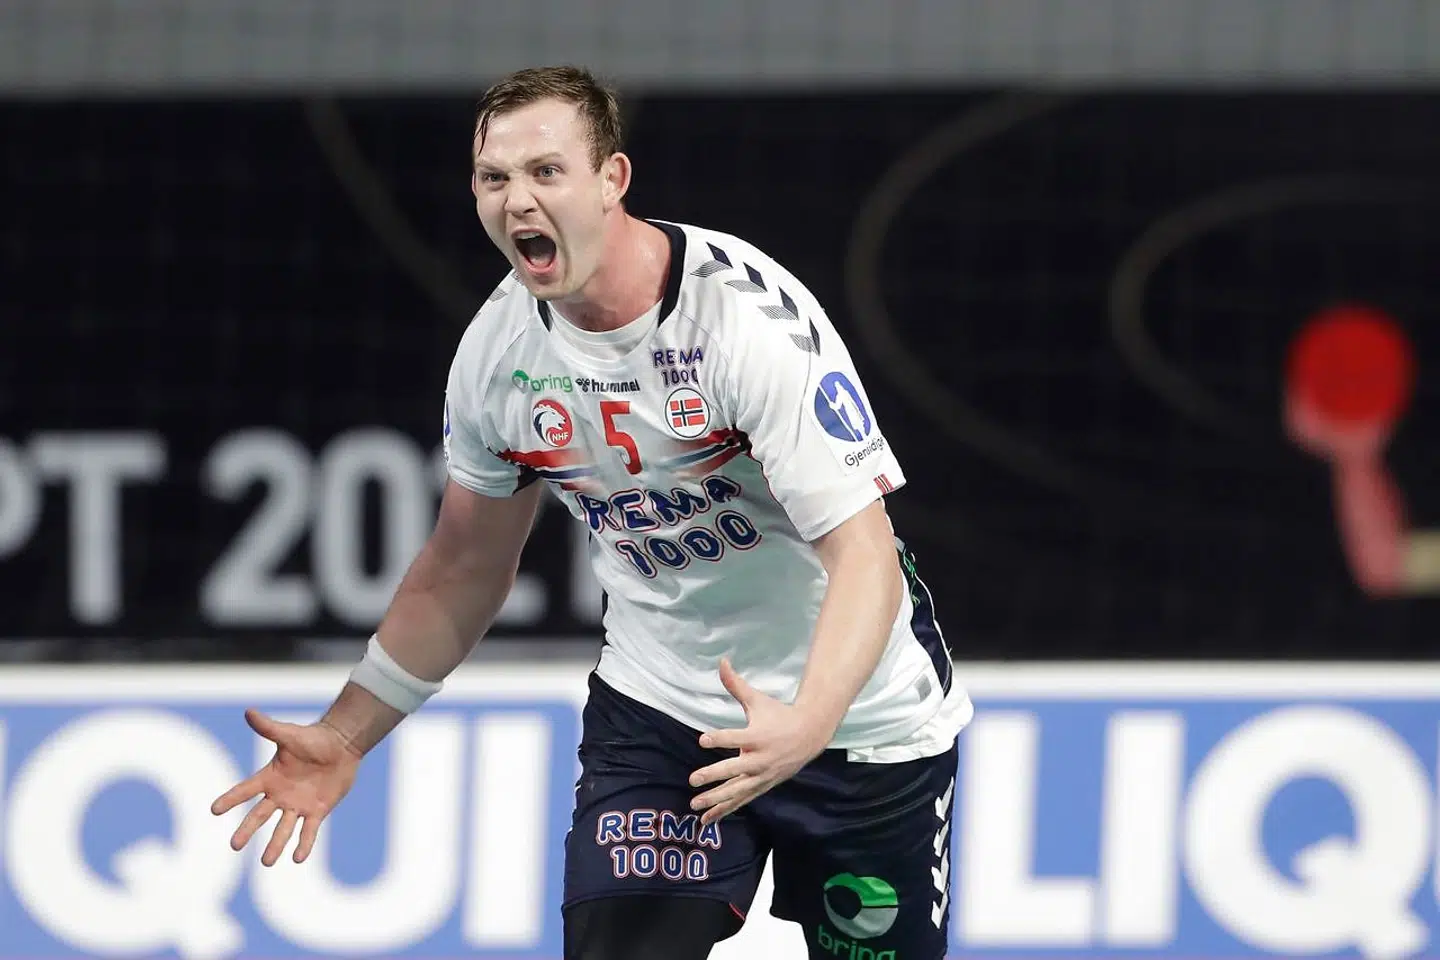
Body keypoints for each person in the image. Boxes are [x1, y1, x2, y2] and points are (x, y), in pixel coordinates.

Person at [212, 65, 973, 960]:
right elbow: (463, 569)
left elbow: (865, 557)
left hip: (859, 726)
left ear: (612, 181)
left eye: (546, 172)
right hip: (663, 718)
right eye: (495, 179)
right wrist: (346, 733)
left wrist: (805, 722)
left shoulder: (744, 324)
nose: (517, 201)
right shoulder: (498, 357)